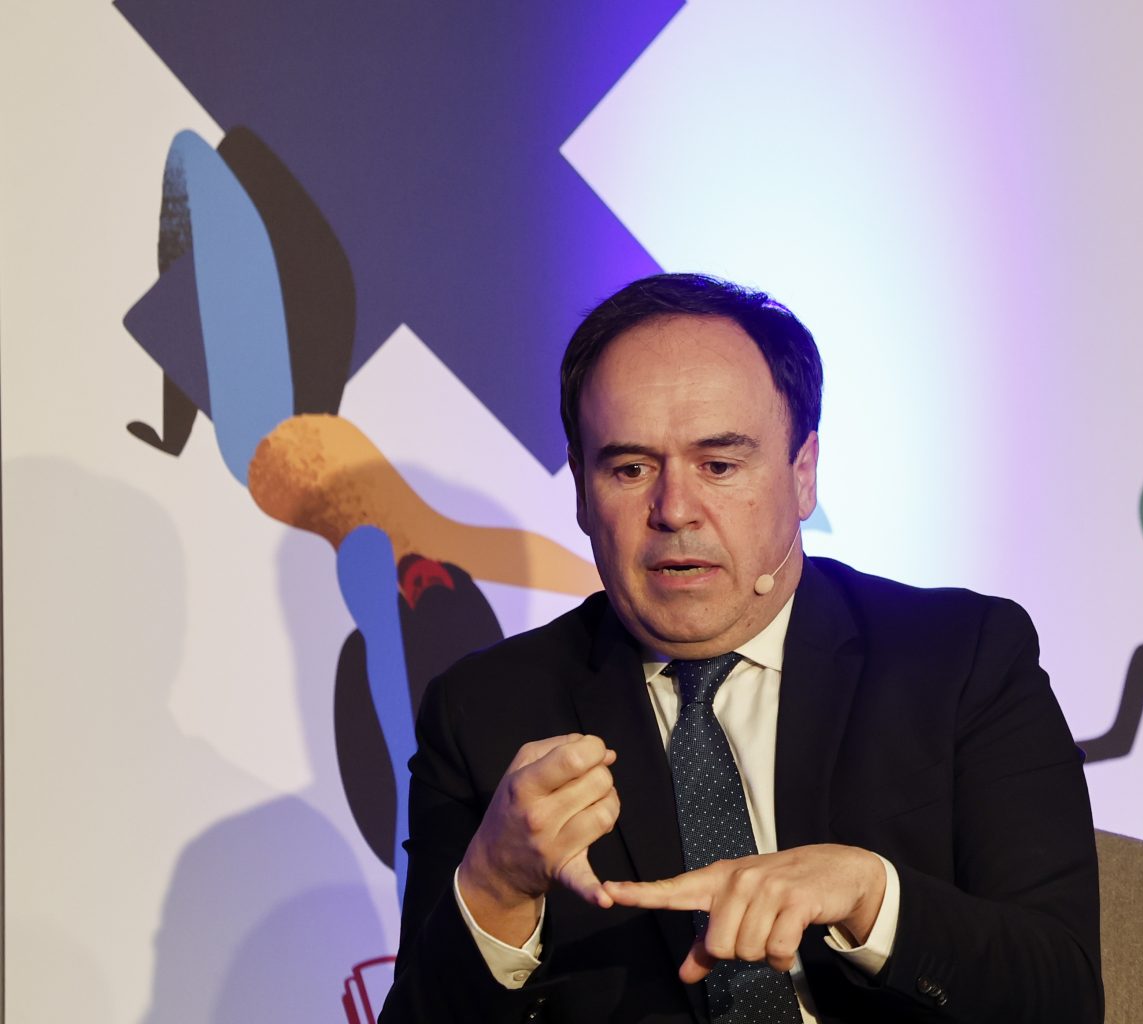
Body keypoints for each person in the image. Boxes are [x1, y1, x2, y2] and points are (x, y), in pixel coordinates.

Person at [378, 274, 1102, 1023]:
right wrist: (495, 888)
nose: (674, 510)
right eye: (630, 469)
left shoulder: (960, 658)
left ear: (803, 474)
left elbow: (1063, 994)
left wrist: (872, 896)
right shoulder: (485, 713)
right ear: (583, 495)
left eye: (718, 466)